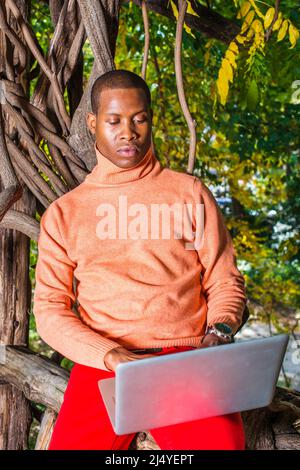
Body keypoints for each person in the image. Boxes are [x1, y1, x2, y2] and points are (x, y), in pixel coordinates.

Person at [33, 69, 248, 450]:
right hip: (105, 364)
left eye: (139, 119)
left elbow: (224, 280)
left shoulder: (189, 193)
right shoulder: (64, 214)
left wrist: (221, 330)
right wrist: (109, 354)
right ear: (92, 123)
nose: (128, 132)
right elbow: (50, 311)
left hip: (184, 360)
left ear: (151, 120)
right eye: (114, 120)